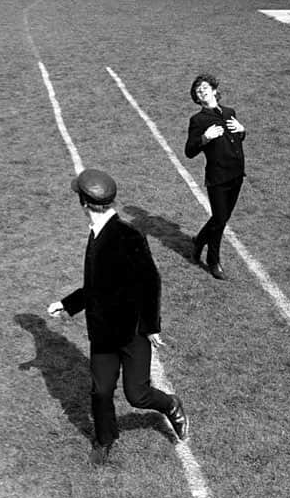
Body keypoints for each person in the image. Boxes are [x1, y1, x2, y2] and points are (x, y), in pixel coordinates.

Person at [47, 169, 189, 465]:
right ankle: (104, 440)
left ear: (84, 203)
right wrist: (67, 304)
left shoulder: (127, 235)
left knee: (137, 395)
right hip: (103, 334)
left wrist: (151, 327)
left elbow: (151, 280)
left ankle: (171, 405)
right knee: (100, 391)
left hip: (133, 332)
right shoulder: (96, 234)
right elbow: (96, 286)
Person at [185, 74, 246, 280]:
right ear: (197, 98)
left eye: (204, 87)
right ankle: (213, 261)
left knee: (221, 218)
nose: (201, 91)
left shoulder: (230, 112)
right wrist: (205, 137)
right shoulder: (198, 120)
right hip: (217, 177)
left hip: (237, 174)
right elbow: (189, 151)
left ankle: (199, 241)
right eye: (197, 90)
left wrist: (242, 131)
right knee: (220, 220)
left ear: (213, 90)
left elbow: (235, 138)